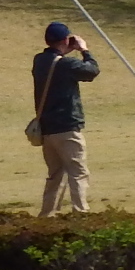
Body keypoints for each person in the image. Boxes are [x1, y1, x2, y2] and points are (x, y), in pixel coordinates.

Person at [31, 21, 100, 215]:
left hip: (47, 128)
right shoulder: (67, 64)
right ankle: (81, 212)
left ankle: (47, 216)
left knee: (55, 175)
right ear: (64, 40)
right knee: (78, 172)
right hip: (67, 126)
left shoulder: (40, 60)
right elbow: (91, 71)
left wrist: (66, 51)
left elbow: (56, 63)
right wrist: (84, 50)